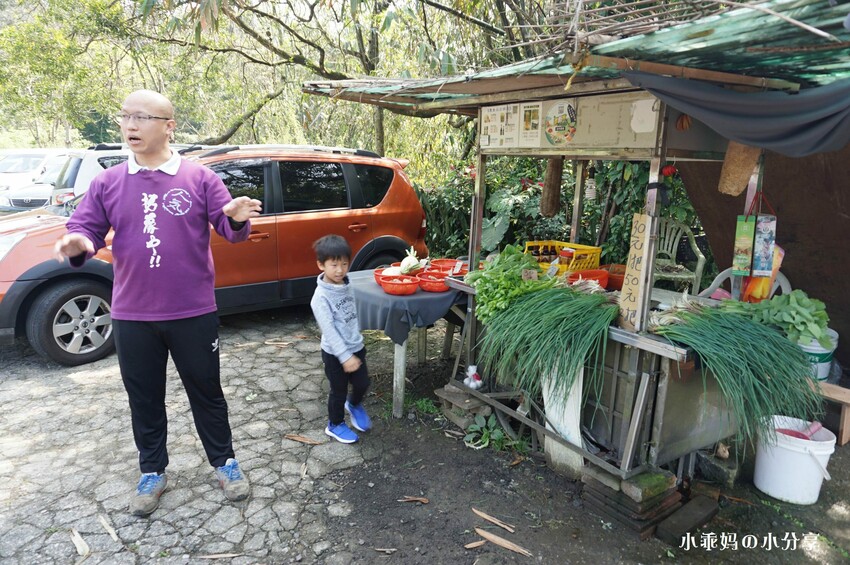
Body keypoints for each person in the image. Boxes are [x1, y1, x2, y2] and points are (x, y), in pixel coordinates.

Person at [53, 89, 262, 517]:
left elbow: (228, 224)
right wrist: (77, 243)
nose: (130, 125)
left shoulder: (199, 178)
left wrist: (236, 217)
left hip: (193, 311)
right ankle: (152, 470)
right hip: (132, 314)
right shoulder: (108, 182)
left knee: (207, 392)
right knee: (143, 396)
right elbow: (85, 231)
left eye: (142, 117)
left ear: (168, 126)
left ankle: (225, 462)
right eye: (125, 116)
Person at [310, 235, 372, 444]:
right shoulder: (320, 298)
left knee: (363, 382)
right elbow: (329, 331)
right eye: (334, 265)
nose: (340, 270)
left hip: (356, 345)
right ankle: (335, 424)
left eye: (344, 264)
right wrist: (345, 357)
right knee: (338, 391)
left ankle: (354, 404)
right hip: (335, 354)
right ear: (321, 265)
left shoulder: (348, 283)